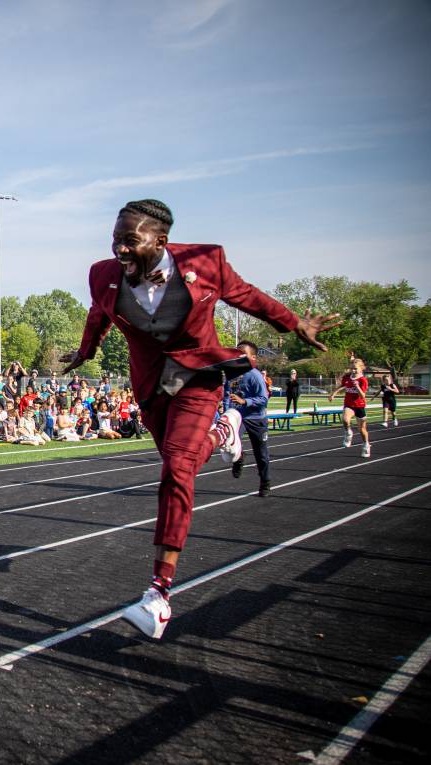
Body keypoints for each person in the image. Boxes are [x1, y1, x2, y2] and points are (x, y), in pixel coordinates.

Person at [61, 198, 339, 639]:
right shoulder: (103, 275)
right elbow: (99, 314)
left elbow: (248, 297)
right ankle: (226, 431)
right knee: (179, 463)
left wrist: (293, 323)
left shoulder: (206, 261)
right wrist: (85, 351)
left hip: (198, 377)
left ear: (161, 240)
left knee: (176, 469)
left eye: (130, 241)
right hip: (152, 384)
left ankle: (158, 593)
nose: (121, 250)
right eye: (116, 240)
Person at [228, 341, 272, 496]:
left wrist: (245, 401)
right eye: (236, 353)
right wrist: (225, 409)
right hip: (238, 416)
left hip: (256, 418)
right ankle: (238, 458)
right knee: (229, 443)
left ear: (253, 358)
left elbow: (264, 399)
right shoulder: (232, 374)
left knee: (261, 454)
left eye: (242, 353)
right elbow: (227, 394)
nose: (238, 356)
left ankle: (265, 482)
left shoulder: (255, 376)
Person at [329, 357, 371, 458]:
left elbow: (363, 396)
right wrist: (333, 393)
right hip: (349, 405)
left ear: (361, 369)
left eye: (355, 368)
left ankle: (366, 445)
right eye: (352, 368)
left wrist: (357, 387)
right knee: (345, 419)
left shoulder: (363, 380)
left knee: (362, 430)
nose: (353, 370)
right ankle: (348, 433)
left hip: (359, 406)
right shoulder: (347, 377)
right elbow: (342, 386)